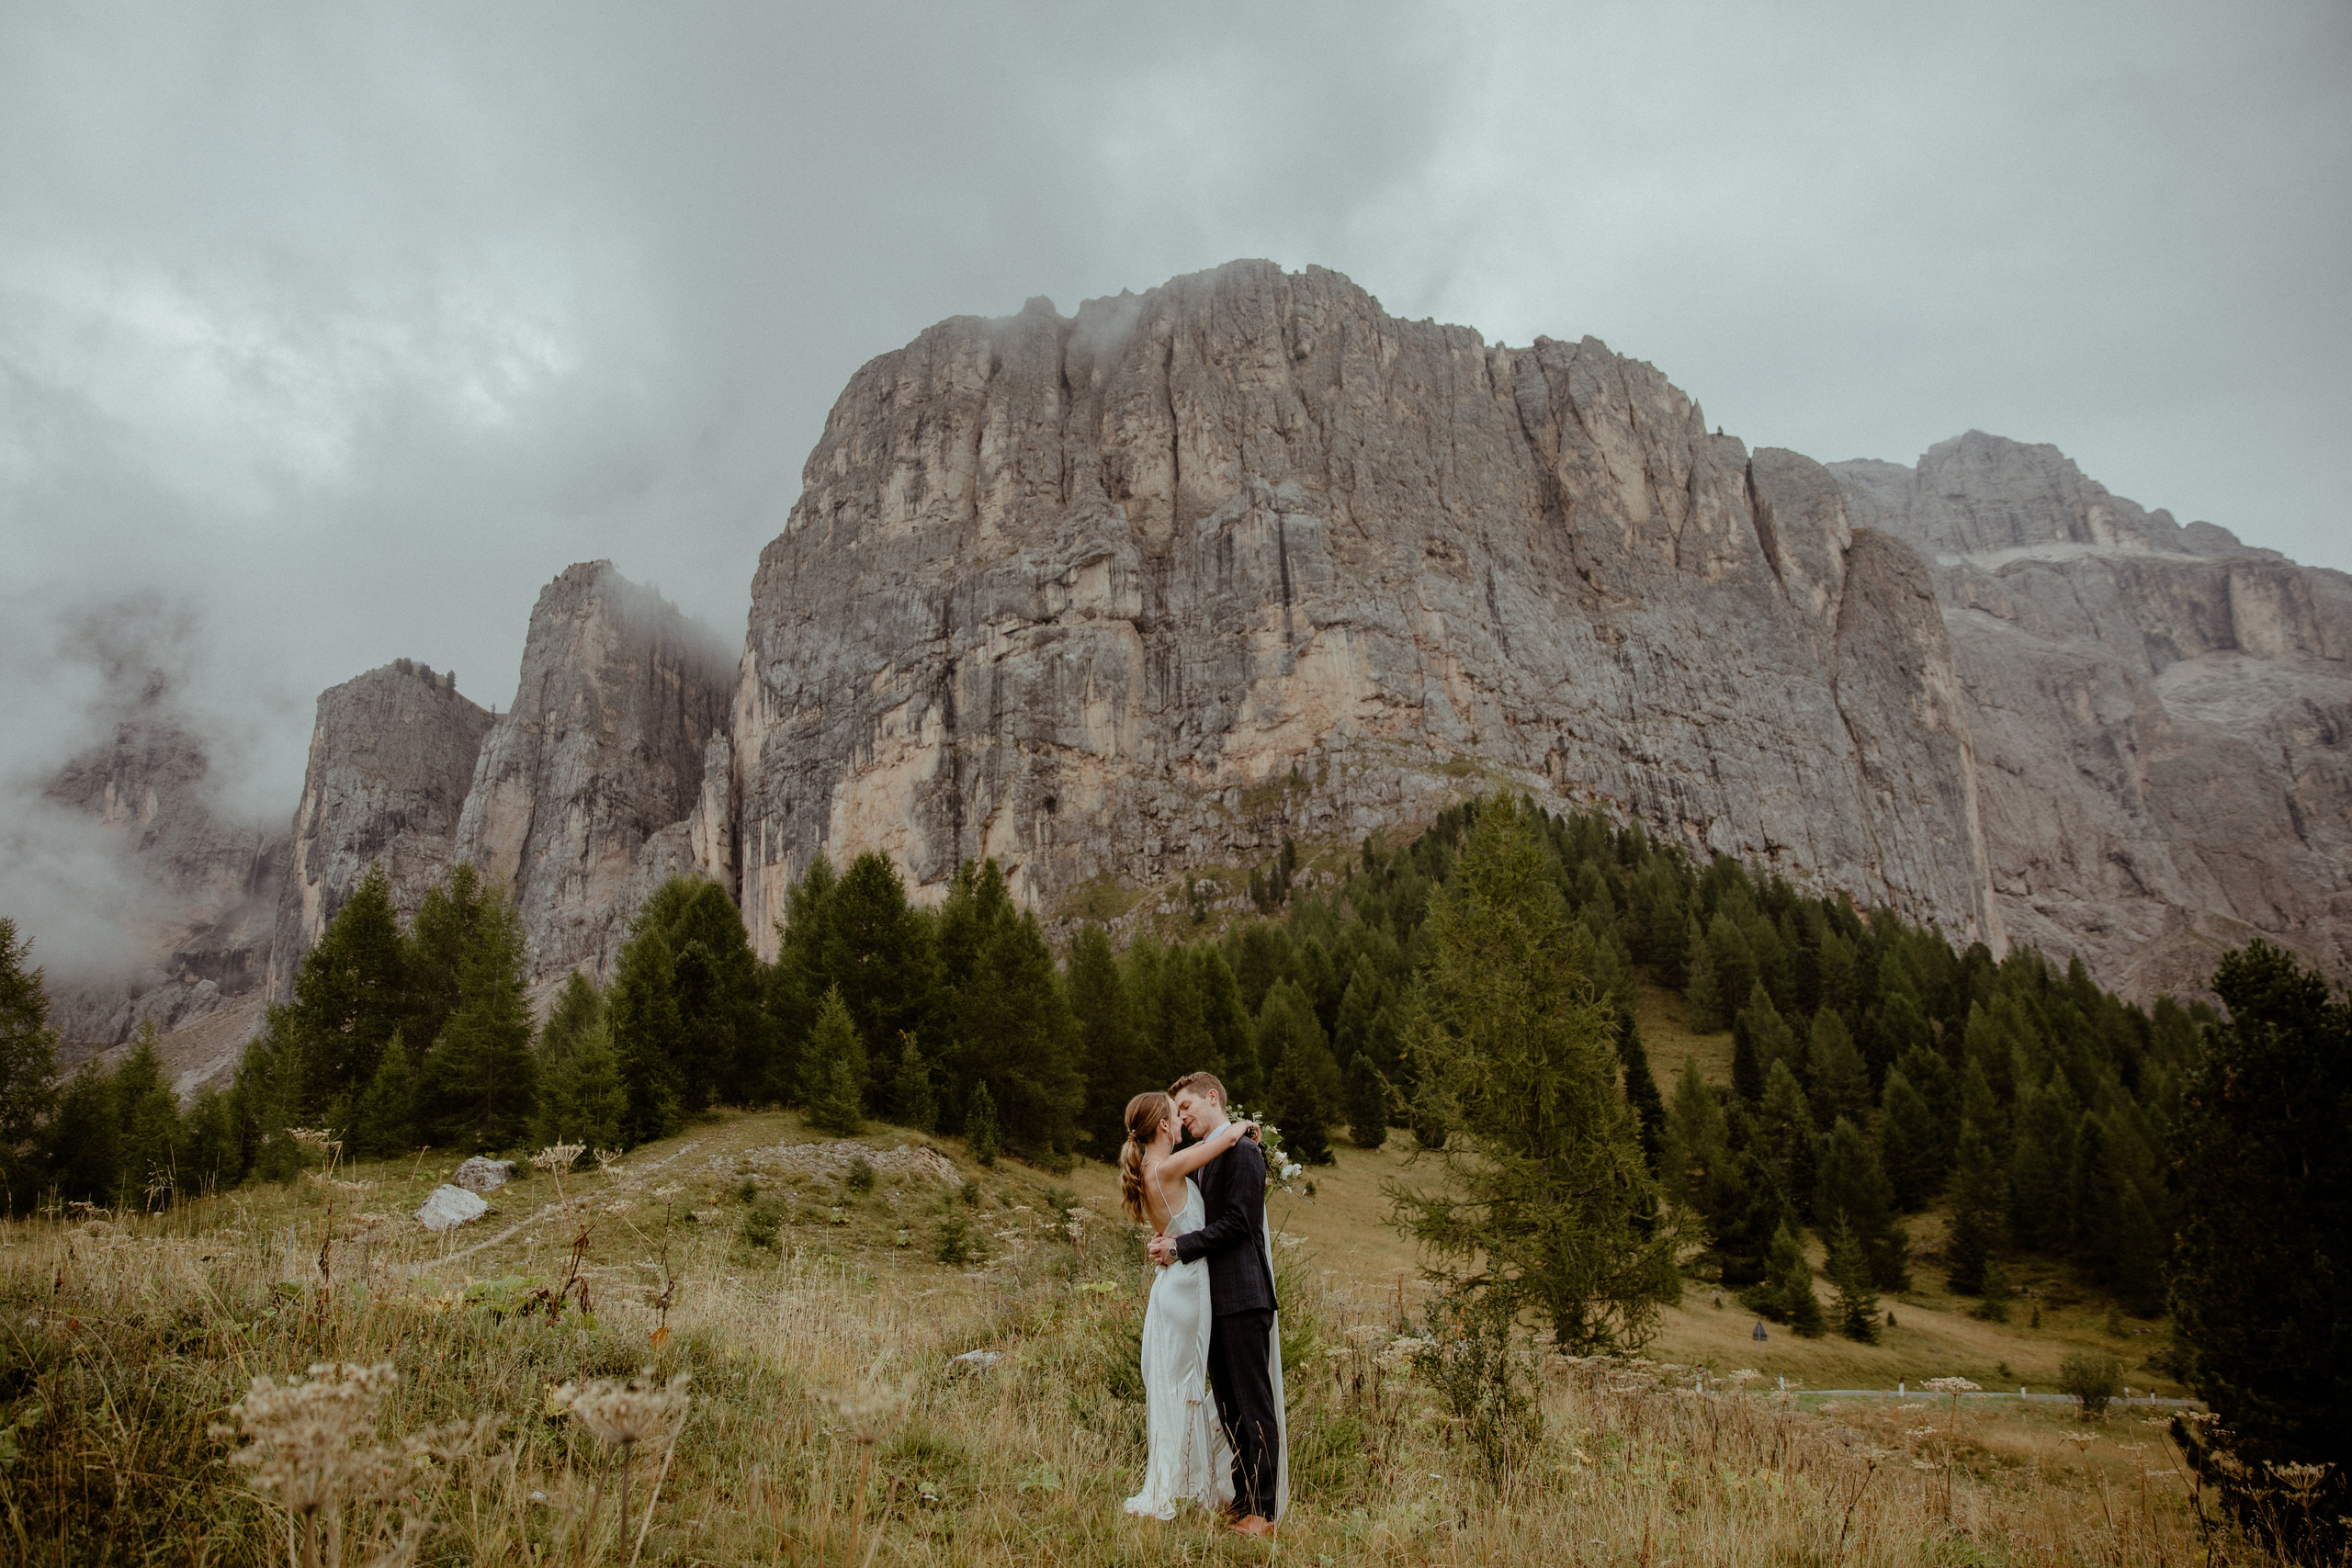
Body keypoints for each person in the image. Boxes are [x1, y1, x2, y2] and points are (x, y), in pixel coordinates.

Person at [1145, 1071, 1288, 1537]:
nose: (1182, 1117)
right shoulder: (1210, 1157)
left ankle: (1264, 1513)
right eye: (1177, 1113)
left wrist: (1182, 1248)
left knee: (1254, 1405)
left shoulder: (1245, 1151)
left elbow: (1240, 1223)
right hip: (1215, 1303)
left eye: (1186, 1107)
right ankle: (1243, 1498)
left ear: (1212, 1097)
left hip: (1245, 1298)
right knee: (1229, 1409)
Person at [1118, 1089, 1255, 1521]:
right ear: (1163, 1125)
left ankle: (1187, 1482)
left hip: (1175, 1284)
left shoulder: (1149, 1168)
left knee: (1181, 1385)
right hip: (1188, 1286)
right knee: (1187, 1386)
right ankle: (1185, 1486)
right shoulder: (1169, 1164)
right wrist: (1243, 1128)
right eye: (1175, 1114)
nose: (1181, 1120)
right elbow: (1222, 1142)